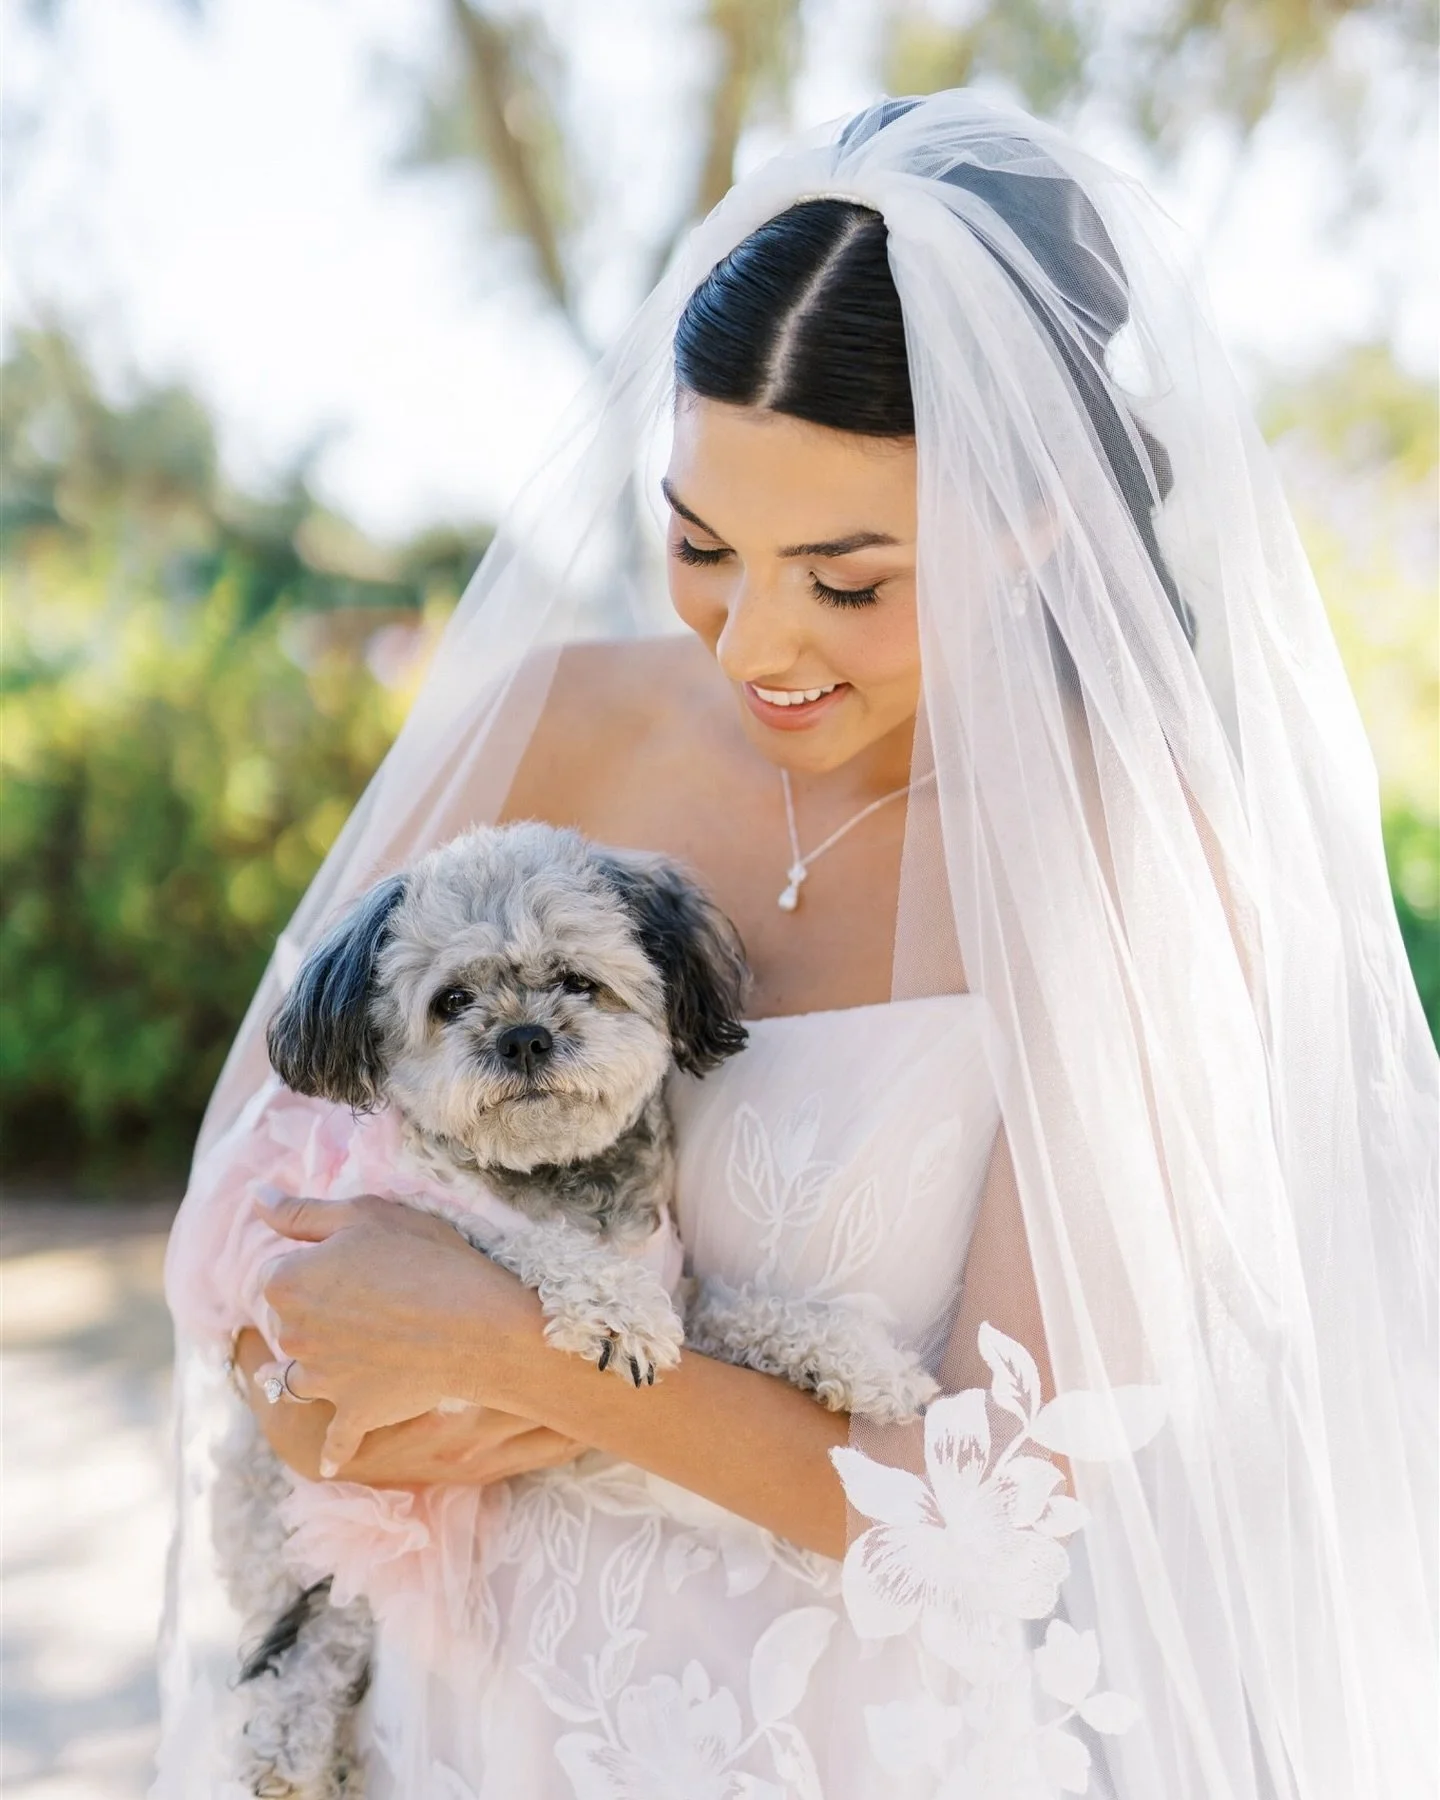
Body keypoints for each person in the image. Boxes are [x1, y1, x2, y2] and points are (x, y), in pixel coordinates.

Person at [153, 92, 1437, 1799]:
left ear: (1037, 515)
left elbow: (996, 1505)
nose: (756, 641)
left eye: (847, 580)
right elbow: (248, 1188)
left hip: (855, 1742)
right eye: (703, 547)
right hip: (461, 1726)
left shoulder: (1133, 858)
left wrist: (511, 1354)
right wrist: (303, 1385)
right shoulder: (559, 723)